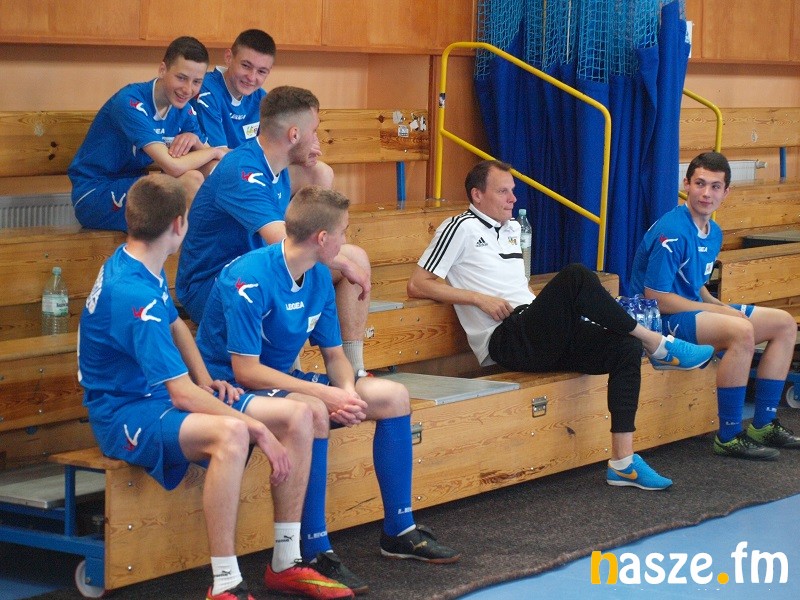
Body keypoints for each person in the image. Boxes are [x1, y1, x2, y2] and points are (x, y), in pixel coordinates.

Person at [77, 175, 353, 600]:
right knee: (234, 434)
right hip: (126, 414)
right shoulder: (134, 294)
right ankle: (225, 582)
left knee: (299, 414)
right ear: (180, 224)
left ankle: (286, 561)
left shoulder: (135, 261)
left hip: (156, 398)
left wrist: (206, 378)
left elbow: (175, 323)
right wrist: (257, 429)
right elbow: (181, 395)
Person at [196, 185, 461, 595]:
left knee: (392, 397)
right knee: (314, 409)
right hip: (229, 387)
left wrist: (347, 393)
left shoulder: (318, 274)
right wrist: (327, 397)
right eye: (344, 231)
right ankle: (315, 549)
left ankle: (399, 530)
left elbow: (334, 355)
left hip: (279, 381)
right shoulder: (248, 278)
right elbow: (246, 371)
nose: (346, 240)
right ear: (322, 238)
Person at [407, 159, 717, 492]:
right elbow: (418, 284)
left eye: (513, 190)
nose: (513, 198)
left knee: (624, 347)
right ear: (477, 195)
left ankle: (623, 462)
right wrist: (478, 299)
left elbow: (517, 288)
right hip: (506, 338)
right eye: (503, 191)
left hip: (533, 327)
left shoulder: (512, 229)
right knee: (576, 276)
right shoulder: (460, 227)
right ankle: (655, 342)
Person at [176, 86, 371, 376]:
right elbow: (284, 242)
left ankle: (354, 373)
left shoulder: (277, 165)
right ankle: (285, 375)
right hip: (214, 283)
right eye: (313, 131)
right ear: (294, 134)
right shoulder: (244, 171)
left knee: (352, 257)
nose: (317, 139)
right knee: (329, 262)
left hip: (260, 270)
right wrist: (343, 263)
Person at [630, 151, 800, 460]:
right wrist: (721, 312)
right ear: (686, 185)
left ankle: (763, 424)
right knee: (740, 331)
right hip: (656, 320)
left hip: (691, 309)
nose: (706, 193)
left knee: (784, 324)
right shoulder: (673, 232)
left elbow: (695, 284)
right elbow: (657, 298)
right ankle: (729, 435)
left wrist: (718, 304)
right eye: (700, 183)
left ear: (726, 192)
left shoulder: (714, 232)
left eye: (715, 186)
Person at [68, 36, 227, 232]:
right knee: (190, 181)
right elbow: (173, 166)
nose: (188, 89)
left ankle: (210, 245)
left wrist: (197, 142)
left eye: (197, 82)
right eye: (181, 78)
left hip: (138, 186)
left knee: (211, 173)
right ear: (162, 69)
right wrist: (214, 151)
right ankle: (197, 248)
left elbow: (213, 164)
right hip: (96, 193)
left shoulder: (184, 110)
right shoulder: (130, 102)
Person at [190, 28, 333, 192]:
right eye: (246, 66)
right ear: (229, 57)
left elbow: (274, 147)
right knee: (227, 170)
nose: (252, 77)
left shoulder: (262, 98)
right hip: (220, 168)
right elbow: (219, 153)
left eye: (261, 71)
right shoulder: (206, 91)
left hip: (251, 166)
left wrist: (302, 151)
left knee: (321, 172)